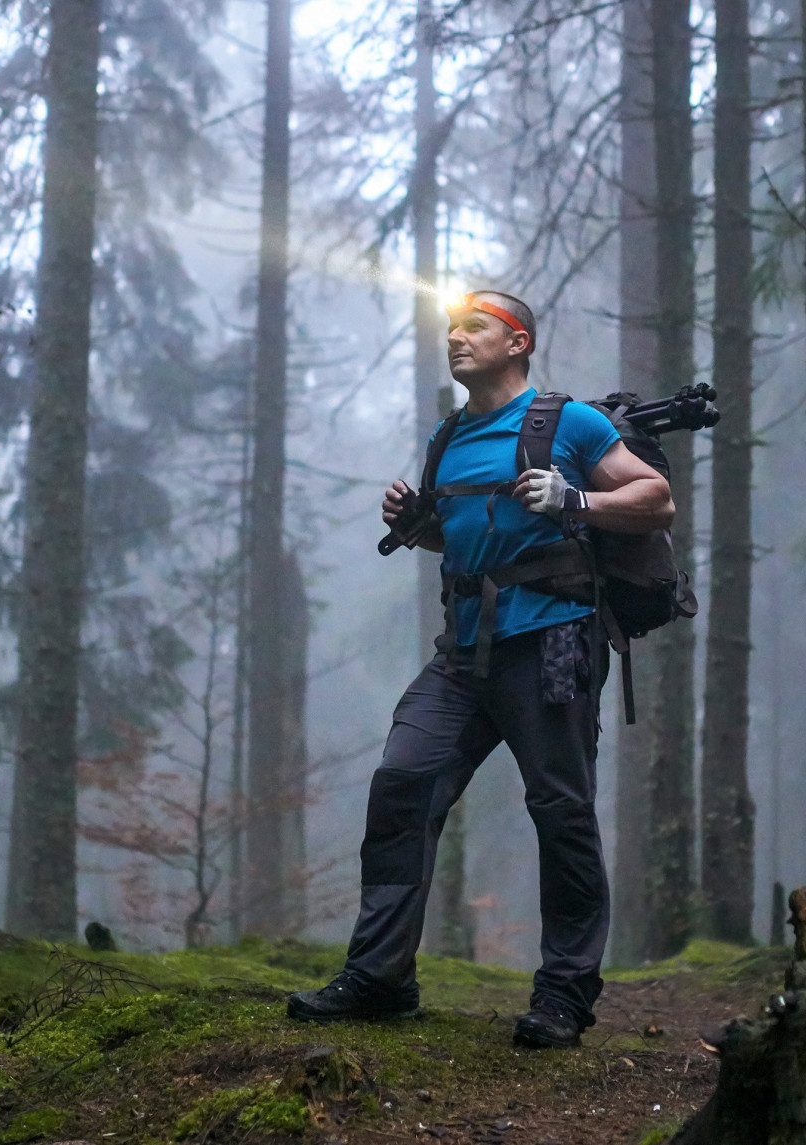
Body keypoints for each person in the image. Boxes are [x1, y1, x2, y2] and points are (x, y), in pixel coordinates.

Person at [287, 290, 673, 1048]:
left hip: (555, 640)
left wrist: (576, 497)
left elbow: (655, 499)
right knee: (403, 781)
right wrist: (416, 524)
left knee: (560, 810)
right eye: (451, 328)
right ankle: (381, 977)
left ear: (517, 343)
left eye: (475, 328)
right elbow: (463, 541)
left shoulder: (569, 422)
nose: (456, 338)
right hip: (464, 654)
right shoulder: (449, 435)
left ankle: (564, 994)